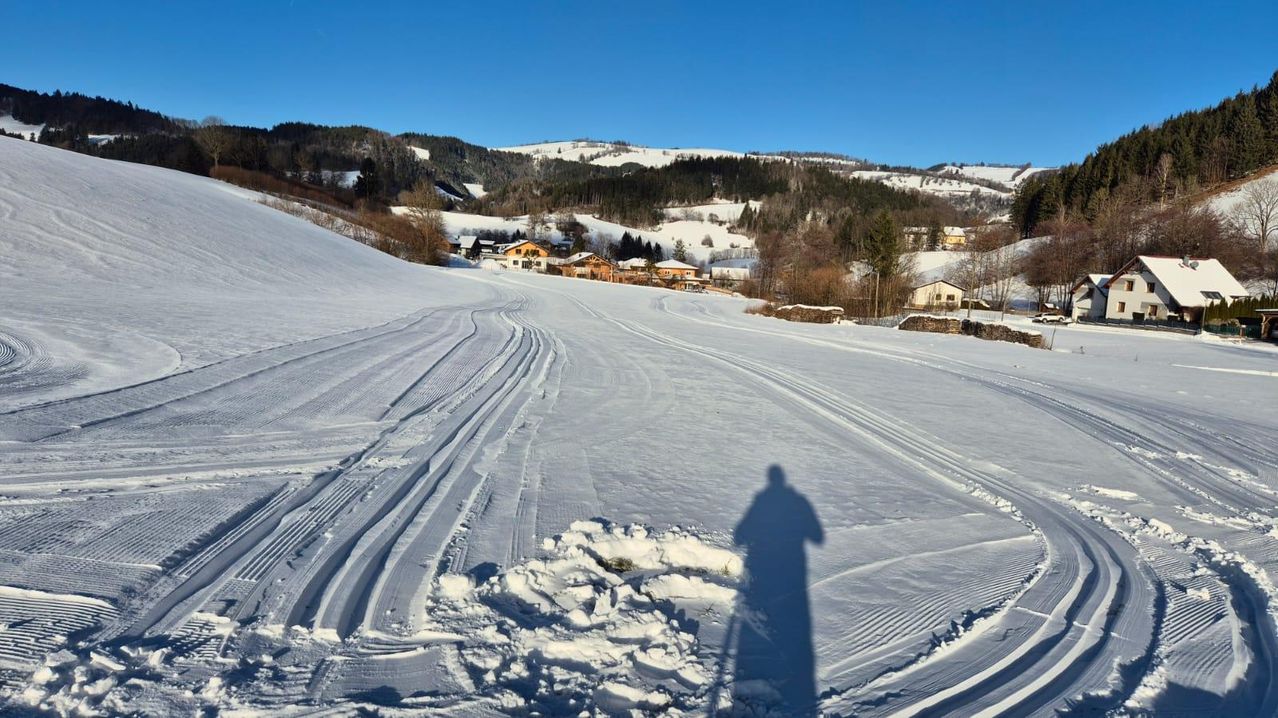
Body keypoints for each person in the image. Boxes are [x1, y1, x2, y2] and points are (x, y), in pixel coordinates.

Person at [732, 465, 824, 715]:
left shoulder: (761, 501)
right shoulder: (798, 502)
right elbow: (817, 536)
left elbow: (739, 535)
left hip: (773, 566)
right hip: (791, 568)